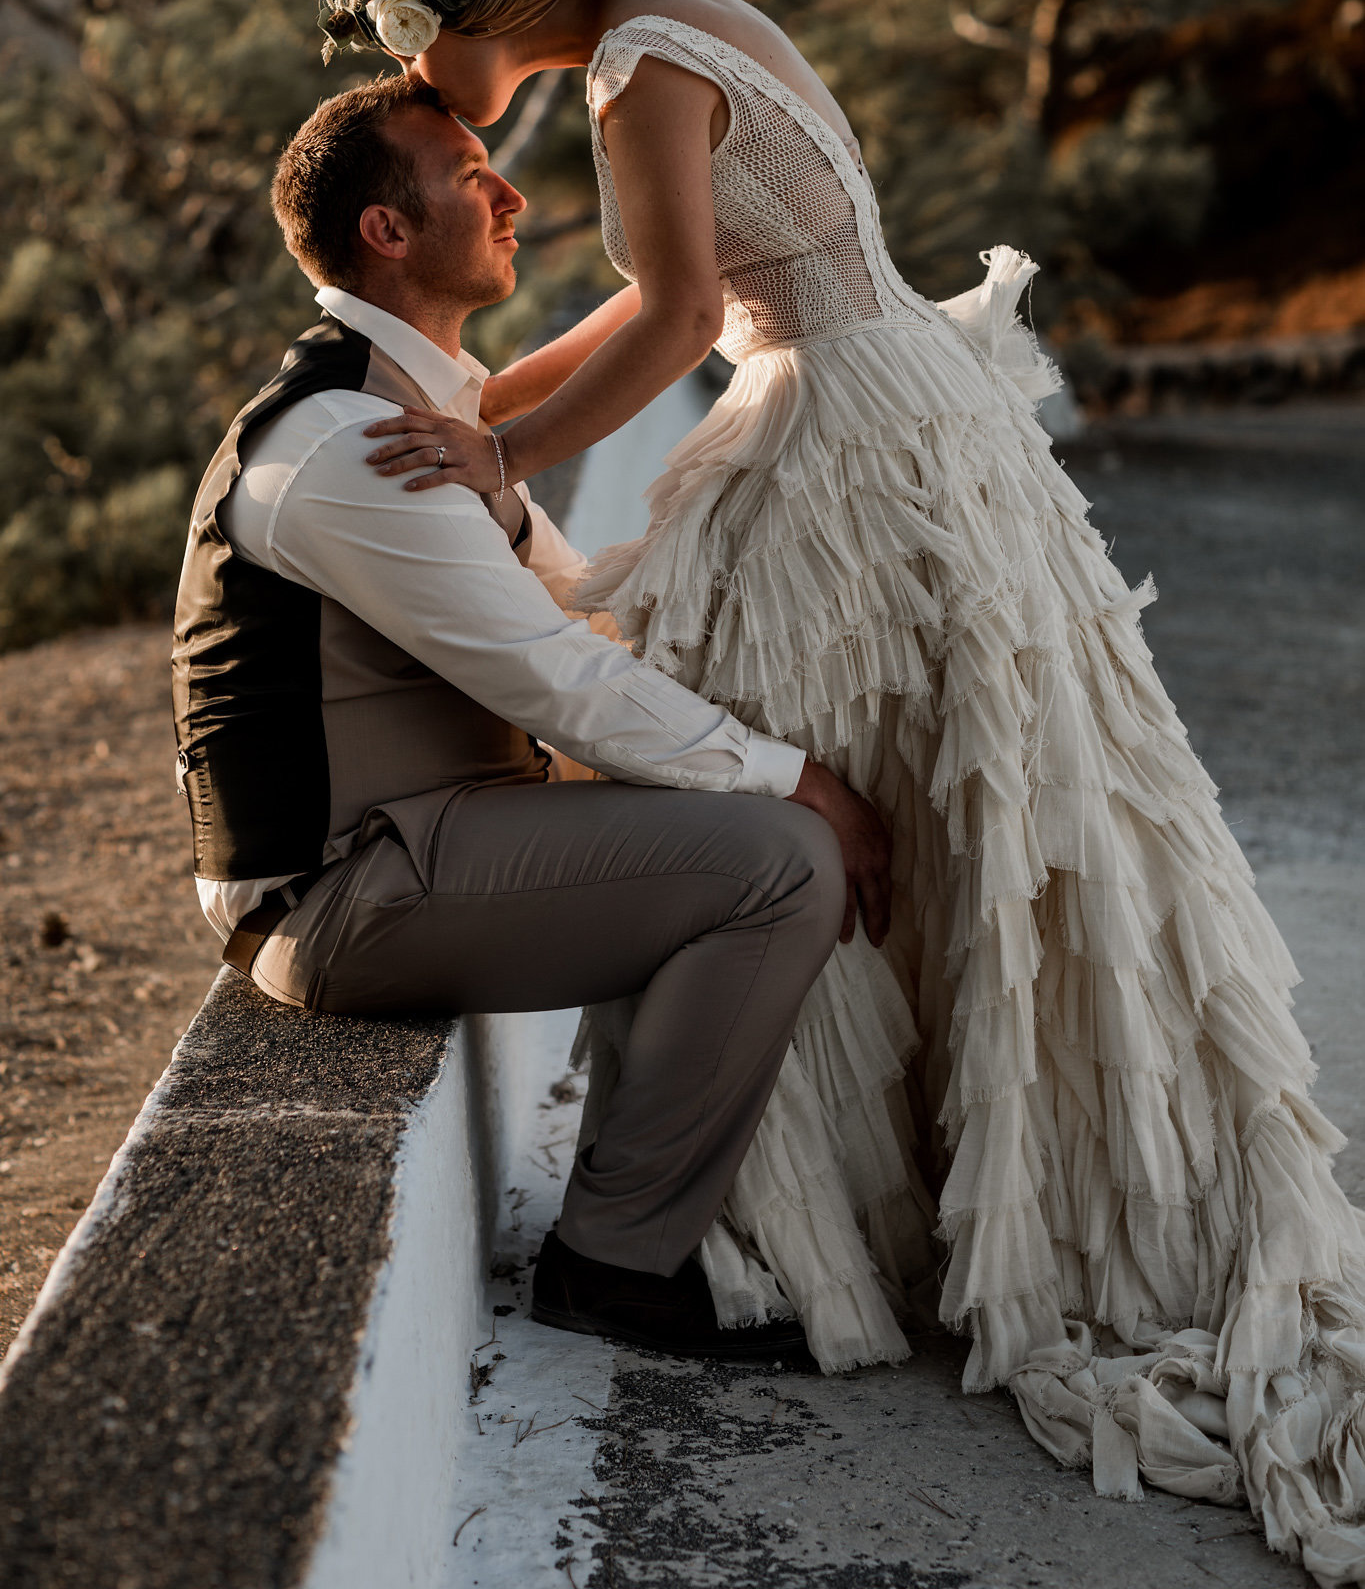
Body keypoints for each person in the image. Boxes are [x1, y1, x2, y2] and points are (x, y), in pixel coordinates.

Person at [323, 0, 1365, 1583]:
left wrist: (494, 447)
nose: (412, 90)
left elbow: (669, 317)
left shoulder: (642, 70)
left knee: (773, 801)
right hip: (894, 410)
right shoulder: (672, 16)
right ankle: (864, 1218)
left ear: (451, 13)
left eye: (400, 47)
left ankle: (771, 1243)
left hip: (841, 453)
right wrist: (466, 388)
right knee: (931, 803)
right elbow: (674, 286)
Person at [171, 70, 898, 1367]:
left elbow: (583, 608)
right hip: (338, 891)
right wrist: (798, 783)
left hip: (439, 835)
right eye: (467, 175)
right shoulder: (343, 445)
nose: (509, 191)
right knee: (780, 860)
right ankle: (615, 1260)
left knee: (755, 819)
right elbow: (554, 678)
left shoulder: (426, 411)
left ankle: (717, 1202)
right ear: (387, 232)